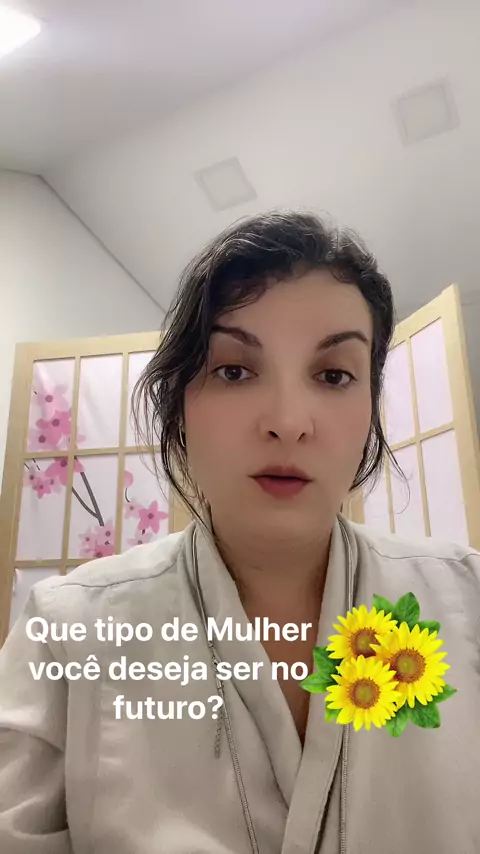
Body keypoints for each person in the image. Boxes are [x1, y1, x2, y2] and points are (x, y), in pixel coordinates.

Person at [0, 211, 479, 854]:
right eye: (234, 370)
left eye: (334, 374)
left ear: (371, 404)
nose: (288, 421)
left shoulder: (468, 597)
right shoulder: (65, 632)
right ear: (179, 402)